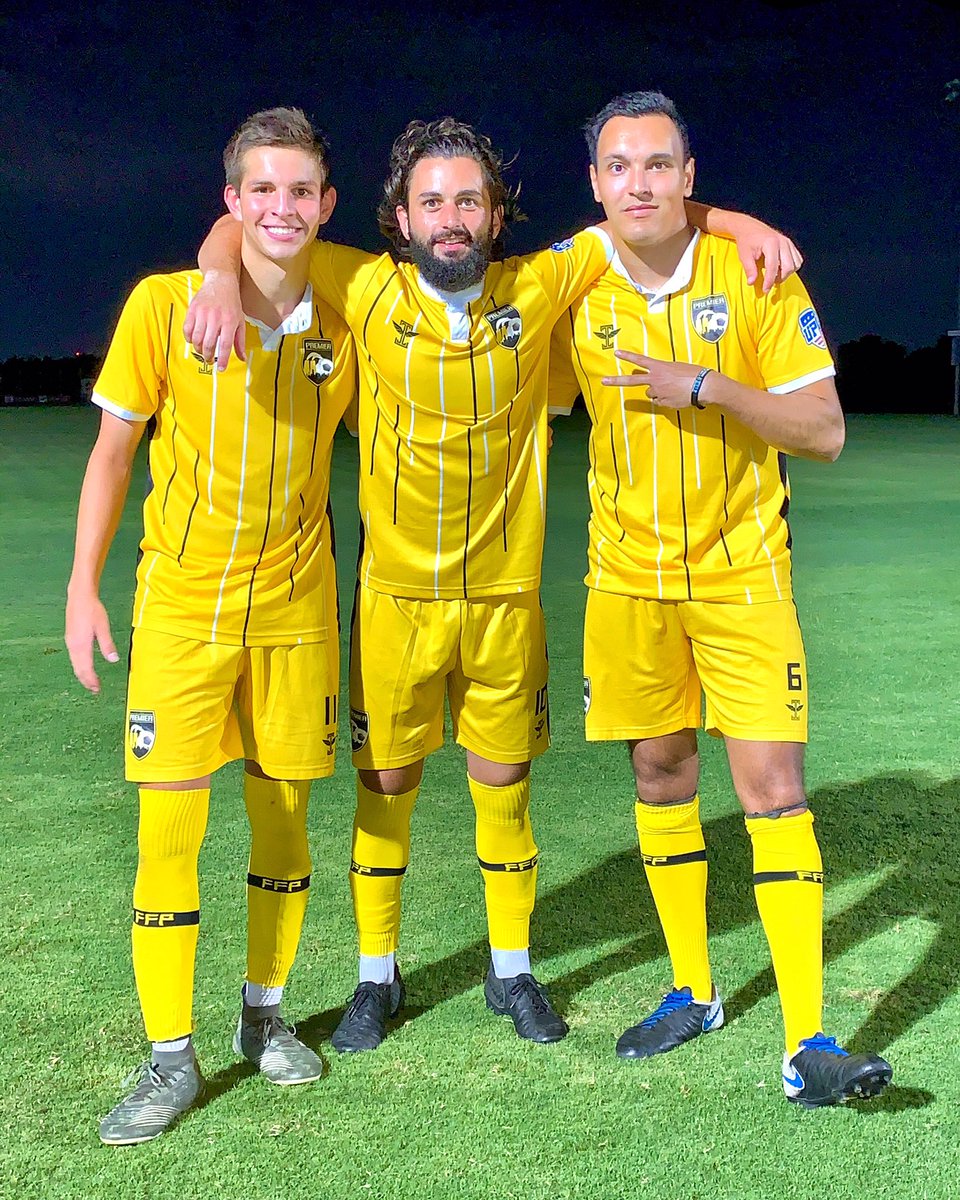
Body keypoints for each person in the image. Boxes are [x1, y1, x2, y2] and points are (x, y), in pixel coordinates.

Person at [187, 115, 802, 1054]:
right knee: (383, 782)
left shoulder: (544, 281)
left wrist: (737, 224)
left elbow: (649, 212)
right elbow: (242, 225)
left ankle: (511, 972)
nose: (451, 218)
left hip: (507, 599)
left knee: (503, 783)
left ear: (494, 212)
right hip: (392, 598)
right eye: (431, 201)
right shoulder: (363, 284)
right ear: (399, 215)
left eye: (468, 200)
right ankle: (375, 979)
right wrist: (220, 277)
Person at [548, 90, 892, 1107]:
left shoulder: (757, 274)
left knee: (772, 791)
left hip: (744, 576)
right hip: (626, 581)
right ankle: (693, 989)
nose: (639, 182)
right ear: (597, 184)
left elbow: (824, 428)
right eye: (619, 166)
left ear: (691, 179)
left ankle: (807, 1042)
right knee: (659, 777)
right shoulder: (574, 281)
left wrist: (709, 388)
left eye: (660, 164)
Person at [64, 107, 356, 1144]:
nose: (282, 206)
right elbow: (112, 453)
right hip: (182, 608)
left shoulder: (349, 309)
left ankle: (263, 1016)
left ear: (327, 204)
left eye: (301, 190)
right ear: (231, 201)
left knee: (283, 825)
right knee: (170, 832)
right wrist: (82, 587)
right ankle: (168, 1058)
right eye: (260, 190)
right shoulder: (164, 306)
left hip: (296, 613)